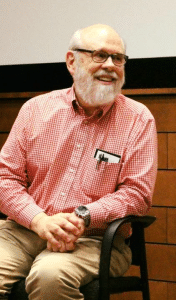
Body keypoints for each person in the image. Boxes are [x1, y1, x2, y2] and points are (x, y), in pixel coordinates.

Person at [0, 24, 158, 299]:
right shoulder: (35, 110)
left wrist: (82, 217)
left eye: (118, 58)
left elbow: (137, 195)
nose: (110, 65)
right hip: (25, 230)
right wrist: (39, 221)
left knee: (48, 276)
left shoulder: (138, 119)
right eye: (100, 55)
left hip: (95, 239)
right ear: (72, 62)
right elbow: (5, 179)